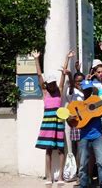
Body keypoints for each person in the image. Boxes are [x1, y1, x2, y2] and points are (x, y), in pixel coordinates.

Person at [32, 50, 71, 185]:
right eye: (51, 83)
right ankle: (49, 177)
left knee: (61, 150)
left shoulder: (59, 91)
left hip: (58, 122)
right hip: (47, 124)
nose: (53, 85)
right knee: (48, 150)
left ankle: (60, 177)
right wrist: (36, 59)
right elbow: (38, 75)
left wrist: (67, 58)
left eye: (54, 83)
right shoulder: (45, 92)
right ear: (47, 84)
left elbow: (63, 76)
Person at [66, 79, 102, 188]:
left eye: (89, 89)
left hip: (97, 135)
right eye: (85, 90)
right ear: (82, 90)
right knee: (83, 164)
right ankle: (83, 184)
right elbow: (71, 123)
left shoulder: (97, 101)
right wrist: (69, 118)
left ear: (91, 90)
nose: (87, 91)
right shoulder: (77, 104)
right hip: (83, 136)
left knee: (101, 162)